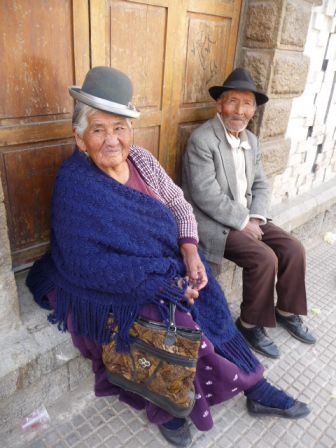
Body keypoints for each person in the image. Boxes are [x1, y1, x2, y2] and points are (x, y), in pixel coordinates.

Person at [27, 67, 310, 448]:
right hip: (112, 280)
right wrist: (165, 281)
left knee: (206, 293)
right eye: (98, 129)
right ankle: (169, 407)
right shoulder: (74, 182)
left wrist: (190, 252)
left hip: (167, 263)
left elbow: (178, 202)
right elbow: (84, 262)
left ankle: (253, 383)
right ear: (79, 138)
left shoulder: (142, 160)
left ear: (131, 130)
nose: (112, 140)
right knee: (165, 316)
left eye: (120, 128)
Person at [182, 67, 316, 360]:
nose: (239, 111)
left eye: (247, 104)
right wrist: (242, 221)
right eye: (233, 102)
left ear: (254, 110)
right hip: (214, 223)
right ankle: (248, 324)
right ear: (220, 105)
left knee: (293, 248)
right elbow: (206, 195)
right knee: (264, 257)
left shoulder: (251, 141)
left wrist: (255, 217)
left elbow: (260, 183)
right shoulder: (202, 140)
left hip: (246, 217)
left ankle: (285, 311)